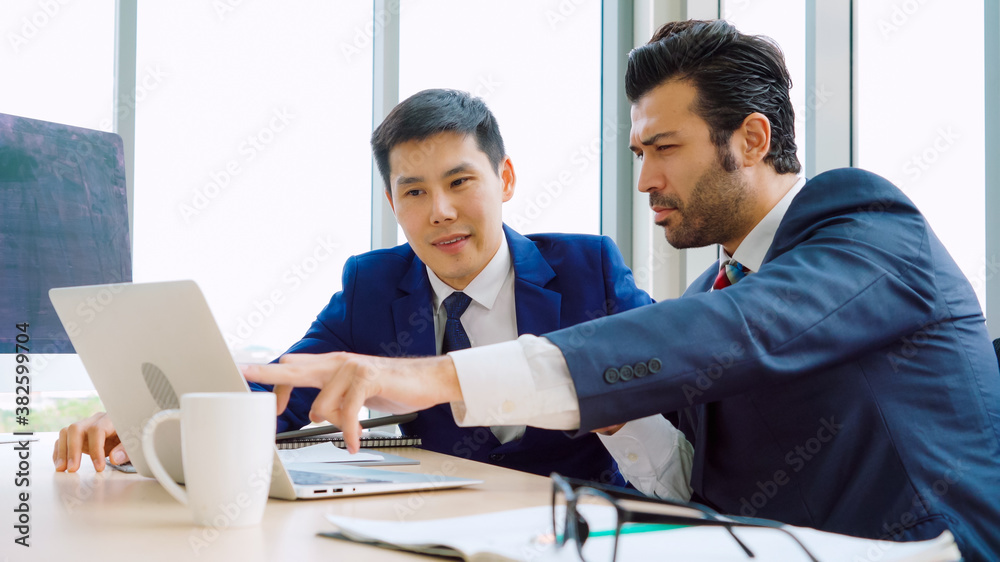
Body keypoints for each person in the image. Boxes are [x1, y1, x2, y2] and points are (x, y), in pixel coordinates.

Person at [243, 20, 1000, 560]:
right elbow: (685, 478)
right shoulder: (715, 285)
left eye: (664, 149)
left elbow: (739, 330)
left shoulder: (864, 221)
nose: (644, 180)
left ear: (753, 139)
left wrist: (435, 376)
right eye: (639, 151)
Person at [53, 89, 693, 490]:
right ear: (392, 202)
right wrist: (153, 426)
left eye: (460, 181)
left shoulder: (589, 269)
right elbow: (283, 384)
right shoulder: (372, 283)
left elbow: (677, 401)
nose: (439, 210)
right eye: (413, 191)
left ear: (506, 178)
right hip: (439, 530)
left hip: (583, 529)